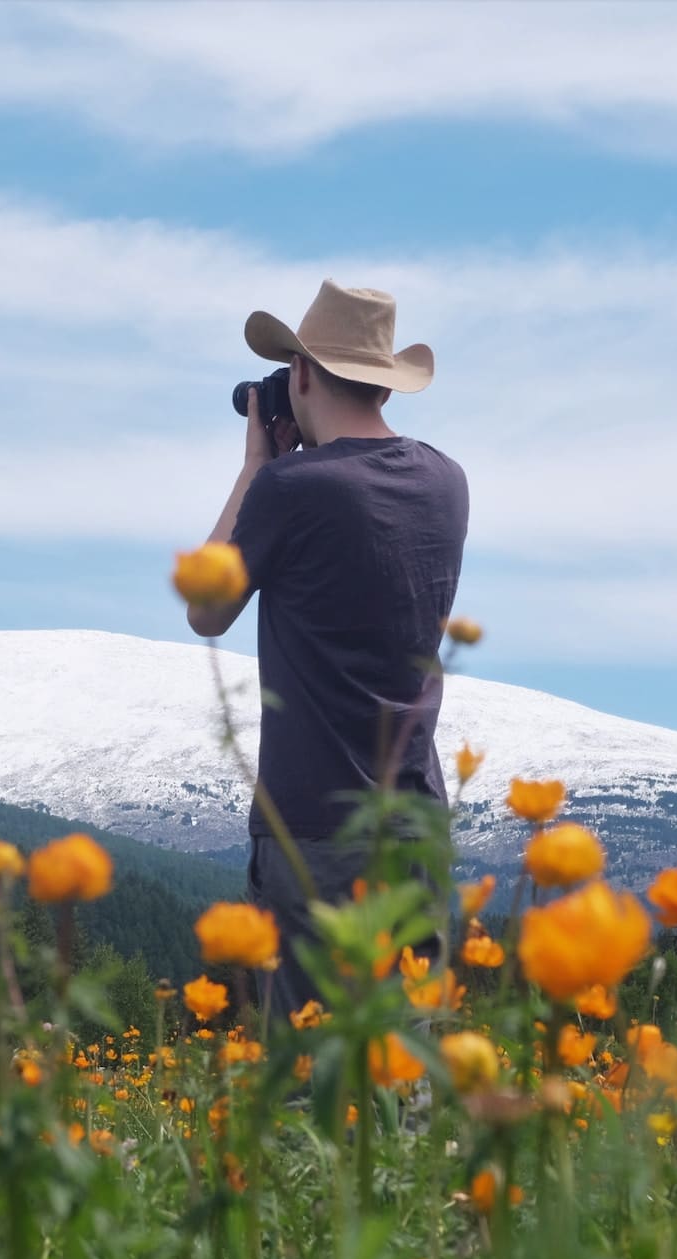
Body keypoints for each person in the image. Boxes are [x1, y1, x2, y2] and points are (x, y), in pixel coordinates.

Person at [186, 280, 469, 1012]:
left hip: (314, 826)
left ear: (302, 374)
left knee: (308, 1084)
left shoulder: (291, 487)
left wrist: (257, 467)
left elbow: (206, 609)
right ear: (386, 384)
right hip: (414, 817)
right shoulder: (447, 482)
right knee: (403, 1076)